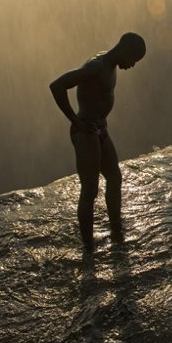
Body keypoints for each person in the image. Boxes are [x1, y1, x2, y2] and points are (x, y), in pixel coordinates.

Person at [50, 33, 146, 253]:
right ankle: (88, 247)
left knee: (114, 177)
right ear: (124, 49)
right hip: (86, 132)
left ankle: (116, 230)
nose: (131, 66)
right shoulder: (97, 66)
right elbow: (57, 86)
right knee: (90, 189)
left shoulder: (109, 65)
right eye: (133, 60)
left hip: (101, 129)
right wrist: (74, 120)